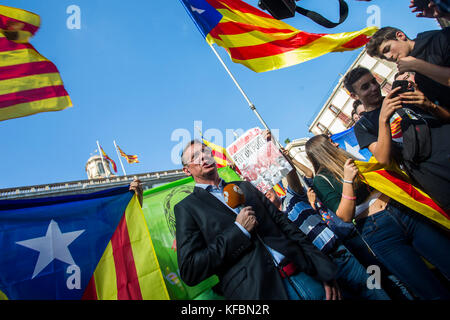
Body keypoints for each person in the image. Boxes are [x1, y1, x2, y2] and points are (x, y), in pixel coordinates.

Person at [174, 140, 340, 300]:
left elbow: (286, 226)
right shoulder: (187, 208)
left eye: (205, 150)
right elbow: (190, 269)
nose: (204, 157)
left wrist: (322, 268)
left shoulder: (245, 187)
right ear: (187, 170)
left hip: (304, 274)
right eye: (195, 156)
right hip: (259, 292)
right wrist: (239, 231)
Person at [305, 134, 450, 300]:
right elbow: (344, 215)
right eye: (330, 142)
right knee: (427, 288)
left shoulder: (349, 159)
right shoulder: (321, 180)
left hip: (403, 212)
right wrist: (348, 181)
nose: (336, 144)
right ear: (323, 150)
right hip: (378, 231)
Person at [265, 166, 390, 300]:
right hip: (321, 270)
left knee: (374, 291)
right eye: (260, 193)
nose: (265, 193)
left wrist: (280, 158)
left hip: (341, 254)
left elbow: (292, 176)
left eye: (266, 189)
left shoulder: (291, 197)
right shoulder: (272, 225)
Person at [344, 66, 450, 211]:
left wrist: (430, 105)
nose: (374, 88)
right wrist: (383, 120)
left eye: (374, 81)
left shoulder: (402, 95)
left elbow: (446, 118)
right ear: (354, 96)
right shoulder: (363, 126)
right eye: (365, 87)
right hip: (434, 175)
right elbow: (383, 158)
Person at [366, 26, 450, 110]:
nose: (388, 57)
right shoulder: (418, 78)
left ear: (400, 36)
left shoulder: (441, 38)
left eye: (387, 49)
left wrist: (417, 65)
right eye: (383, 57)